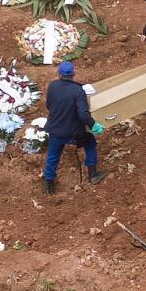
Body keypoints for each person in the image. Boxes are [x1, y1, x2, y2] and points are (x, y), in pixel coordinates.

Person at [41, 60, 109, 192]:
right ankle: (93, 175)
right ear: (73, 74)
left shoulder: (53, 86)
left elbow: (49, 106)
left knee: (53, 154)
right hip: (73, 132)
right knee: (90, 143)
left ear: (59, 73)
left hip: (55, 128)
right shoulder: (78, 91)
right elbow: (83, 115)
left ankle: (48, 184)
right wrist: (94, 125)